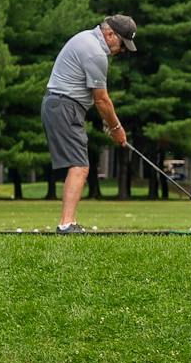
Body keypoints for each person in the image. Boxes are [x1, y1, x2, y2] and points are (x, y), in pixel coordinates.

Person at [44, 15, 138, 233]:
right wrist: (117, 129)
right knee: (79, 165)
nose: (122, 50)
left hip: (61, 105)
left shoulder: (86, 39)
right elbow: (102, 99)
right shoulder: (96, 52)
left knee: (78, 164)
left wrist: (109, 122)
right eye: (122, 44)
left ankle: (69, 222)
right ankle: (67, 224)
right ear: (110, 34)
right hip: (64, 106)